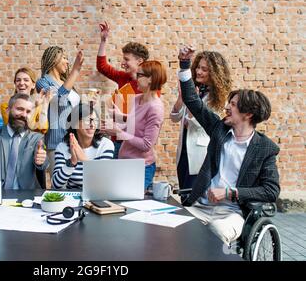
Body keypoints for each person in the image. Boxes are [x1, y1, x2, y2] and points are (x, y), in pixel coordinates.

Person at [176, 48, 280, 245]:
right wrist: (184, 64)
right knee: (172, 227)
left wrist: (230, 192)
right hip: (201, 207)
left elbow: (271, 191)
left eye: (232, 104)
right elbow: (192, 101)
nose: (226, 107)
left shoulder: (265, 149)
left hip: (232, 214)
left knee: (215, 232)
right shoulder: (219, 130)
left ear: (248, 114)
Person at [171, 47, 232, 195]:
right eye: (198, 67)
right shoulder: (194, 90)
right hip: (183, 151)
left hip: (200, 154)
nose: (198, 71)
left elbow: (200, 124)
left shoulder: (218, 98)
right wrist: (181, 97)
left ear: (215, 73)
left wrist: (193, 103)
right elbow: (174, 117)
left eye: (204, 69)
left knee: (193, 196)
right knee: (185, 193)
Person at [97, 21, 159, 158]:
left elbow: (146, 120)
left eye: (127, 59)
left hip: (134, 142)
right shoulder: (123, 78)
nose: (122, 63)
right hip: (116, 139)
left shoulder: (150, 87)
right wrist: (103, 40)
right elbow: (102, 67)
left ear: (139, 61)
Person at [103, 61, 167, 191]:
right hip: (124, 162)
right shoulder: (136, 98)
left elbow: (146, 145)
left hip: (141, 168)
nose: (135, 78)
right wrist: (120, 115)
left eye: (139, 75)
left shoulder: (156, 108)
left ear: (150, 79)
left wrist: (118, 132)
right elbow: (134, 124)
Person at [0, 93, 48, 190]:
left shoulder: (36, 138)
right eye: (19, 109)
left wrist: (41, 161)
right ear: (7, 111)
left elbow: (43, 163)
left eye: (28, 112)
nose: (23, 115)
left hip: (26, 197)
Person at [36, 46, 84, 176]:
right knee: (60, 185)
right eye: (64, 58)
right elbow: (59, 101)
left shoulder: (66, 82)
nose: (67, 62)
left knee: (78, 182)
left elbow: (75, 110)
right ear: (53, 59)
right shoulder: (42, 82)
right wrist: (75, 70)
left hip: (75, 141)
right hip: (57, 144)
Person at [52, 104, 114, 189]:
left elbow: (103, 181)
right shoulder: (62, 148)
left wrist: (84, 159)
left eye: (95, 120)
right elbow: (55, 185)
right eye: (88, 120)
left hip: (97, 195)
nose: (92, 125)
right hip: (73, 197)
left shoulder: (105, 145)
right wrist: (72, 163)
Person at [0, 67, 49, 134]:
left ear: (33, 85)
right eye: (18, 80)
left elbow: (43, 129)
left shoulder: (39, 105)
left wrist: (44, 105)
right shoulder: (6, 107)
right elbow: (15, 127)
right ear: (15, 84)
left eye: (26, 80)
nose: (21, 83)